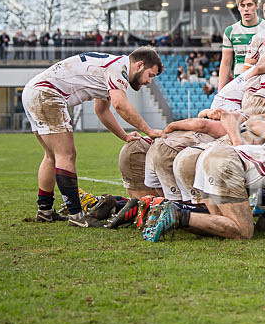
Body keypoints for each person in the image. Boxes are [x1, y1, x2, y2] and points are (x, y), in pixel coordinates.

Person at [22, 47, 164, 227]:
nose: (149, 81)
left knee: (52, 156)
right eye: (150, 75)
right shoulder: (119, 68)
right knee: (66, 155)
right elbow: (120, 105)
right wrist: (149, 130)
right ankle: (76, 216)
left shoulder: (111, 67)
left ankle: (45, 211)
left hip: (35, 90)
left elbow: (102, 110)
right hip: (47, 93)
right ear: (139, 65)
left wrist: (125, 136)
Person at [217, 0, 265, 91]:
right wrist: (220, 91)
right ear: (238, 8)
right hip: (239, 83)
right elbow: (226, 64)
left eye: (249, 5)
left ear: (257, 6)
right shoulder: (230, 31)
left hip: (262, 84)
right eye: (242, 5)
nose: (246, 9)